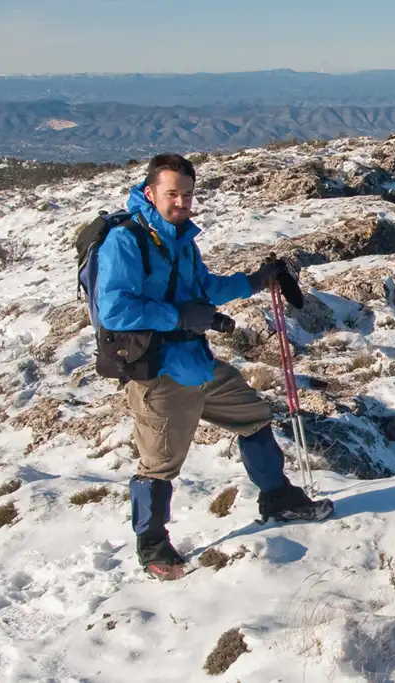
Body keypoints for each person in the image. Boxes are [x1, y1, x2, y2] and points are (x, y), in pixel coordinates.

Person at [95, 153, 332, 580]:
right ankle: (152, 544)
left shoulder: (182, 240)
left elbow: (206, 287)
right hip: (159, 372)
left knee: (254, 415)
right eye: (173, 194)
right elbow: (114, 310)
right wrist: (181, 317)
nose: (182, 203)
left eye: (187, 194)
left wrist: (256, 281)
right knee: (159, 465)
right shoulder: (127, 241)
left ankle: (278, 499)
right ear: (150, 193)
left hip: (197, 363)